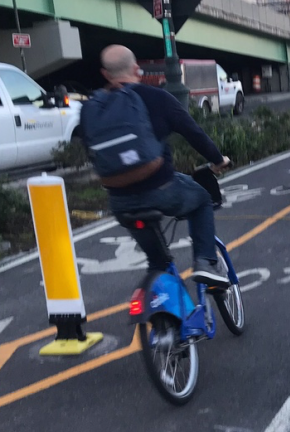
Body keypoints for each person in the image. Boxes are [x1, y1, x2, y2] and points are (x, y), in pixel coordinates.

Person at [82, 45, 232, 286]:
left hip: (120, 201)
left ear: (106, 74)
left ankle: (158, 307)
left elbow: (92, 152)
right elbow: (193, 133)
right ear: (136, 69)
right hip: (162, 189)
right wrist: (218, 160)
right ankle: (205, 262)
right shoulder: (156, 97)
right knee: (202, 200)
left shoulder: (93, 108)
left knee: (158, 263)